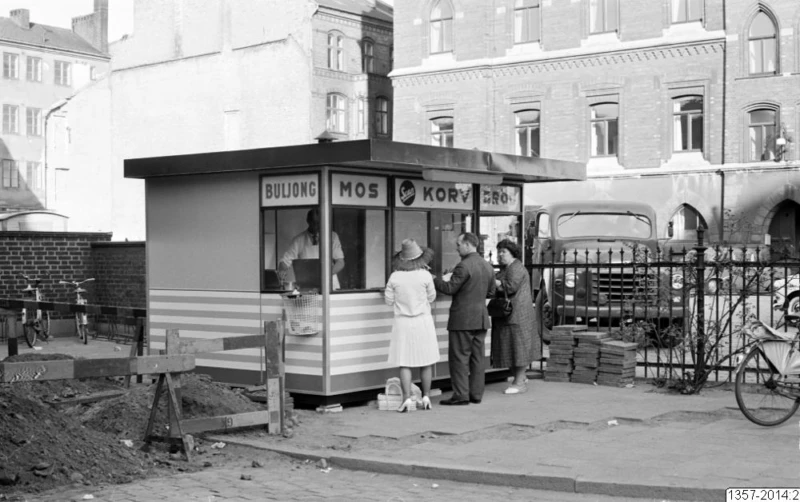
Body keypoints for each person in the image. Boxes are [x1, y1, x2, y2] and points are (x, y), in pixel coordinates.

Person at [433, 232, 496, 405]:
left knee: (459, 358)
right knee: (477, 358)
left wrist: (434, 280)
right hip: (481, 318)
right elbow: (491, 292)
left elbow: (450, 288)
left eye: (459, 244)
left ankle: (461, 395)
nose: (456, 247)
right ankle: (476, 394)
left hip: (462, 319)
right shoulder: (487, 266)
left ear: (468, 245)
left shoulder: (463, 266)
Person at [384, 239, 439, 412]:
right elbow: (431, 297)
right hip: (423, 321)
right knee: (426, 361)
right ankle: (426, 396)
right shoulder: (425, 275)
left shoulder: (395, 276)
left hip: (402, 323)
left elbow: (388, 300)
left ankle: (407, 398)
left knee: (404, 362)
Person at [491, 239, 540, 395]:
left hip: (517, 316)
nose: (500, 255)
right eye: (499, 251)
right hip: (511, 315)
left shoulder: (516, 267)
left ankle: (519, 383)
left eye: (503, 251)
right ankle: (521, 378)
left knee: (518, 349)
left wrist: (494, 281)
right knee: (512, 348)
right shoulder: (508, 268)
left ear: (512, 252)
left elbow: (510, 287)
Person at [279, 208, 345, 290]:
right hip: (307, 286)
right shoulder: (298, 240)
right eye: (314, 223)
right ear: (308, 221)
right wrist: (282, 269)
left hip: (330, 284)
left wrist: (327, 274)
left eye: (319, 223)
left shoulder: (332, 236)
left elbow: (340, 262)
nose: (317, 226)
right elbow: (285, 261)